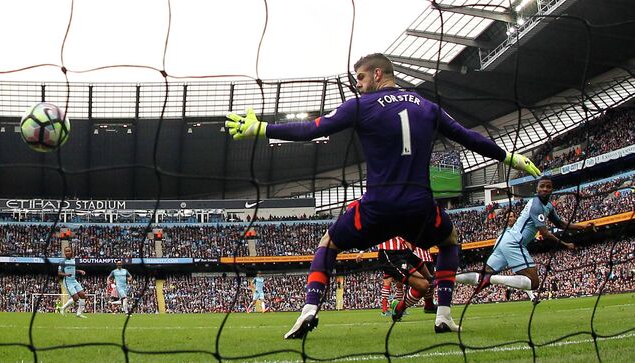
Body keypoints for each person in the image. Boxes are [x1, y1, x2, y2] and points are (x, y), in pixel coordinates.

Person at [225, 53, 541, 338]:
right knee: (449, 241)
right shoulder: (427, 107)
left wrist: (262, 128)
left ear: (378, 74)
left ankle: (309, 310)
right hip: (419, 207)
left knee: (328, 243)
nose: (358, 85)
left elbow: (313, 130)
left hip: (378, 207)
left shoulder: (361, 106)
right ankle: (443, 315)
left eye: (360, 77)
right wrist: (511, 158)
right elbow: (469, 137)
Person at [456, 176, 596, 300]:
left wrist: (583, 227)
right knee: (533, 282)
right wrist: (566, 245)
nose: (545, 189)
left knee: (482, 276)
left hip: (504, 240)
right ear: (537, 188)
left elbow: (560, 223)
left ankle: (447, 277)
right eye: (542, 186)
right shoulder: (537, 206)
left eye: (548, 187)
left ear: (553, 189)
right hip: (514, 242)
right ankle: (491, 279)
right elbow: (545, 233)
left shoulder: (548, 206)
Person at [58, 246, 87, 318]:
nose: (67, 252)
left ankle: (79, 313)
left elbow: (73, 270)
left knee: (83, 295)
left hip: (74, 281)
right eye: (66, 251)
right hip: (68, 282)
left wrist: (79, 271)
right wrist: (66, 274)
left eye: (69, 251)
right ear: (64, 253)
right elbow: (59, 273)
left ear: (71, 252)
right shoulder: (62, 262)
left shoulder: (73, 260)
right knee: (76, 298)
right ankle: (62, 308)